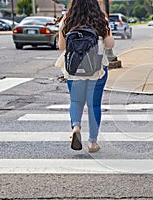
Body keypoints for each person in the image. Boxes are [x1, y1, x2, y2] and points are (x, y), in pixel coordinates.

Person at [58, 0, 115, 152]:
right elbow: (110, 44)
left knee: (76, 101)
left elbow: (61, 46)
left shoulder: (67, 20)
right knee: (94, 105)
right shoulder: (100, 20)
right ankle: (92, 142)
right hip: (96, 70)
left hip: (74, 70)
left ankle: (76, 127)